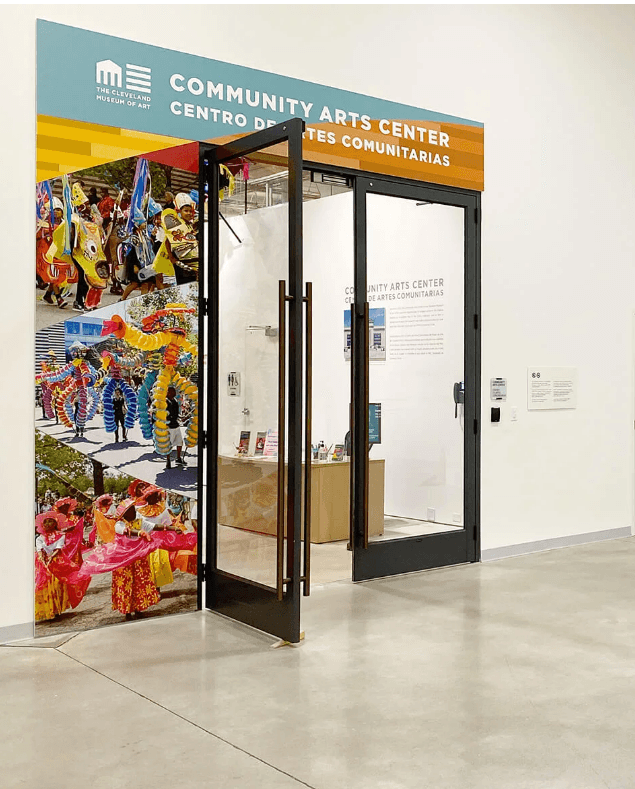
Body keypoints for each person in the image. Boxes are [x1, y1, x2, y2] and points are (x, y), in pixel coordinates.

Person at [111, 499, 160, 619]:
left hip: (138, 560)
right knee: (126, 585)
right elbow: (127, 531)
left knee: (139, 583)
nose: (133, 512)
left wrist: (173, 528)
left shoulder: (140, 522)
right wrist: (140, 533)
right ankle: (127, 611)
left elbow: (155, 526)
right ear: (124, 514)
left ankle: (139, 608)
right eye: (130, 510)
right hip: (124, 561)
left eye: (134, 509)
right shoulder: (119, 524)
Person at [165, 386, 185, 469]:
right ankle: (168, 460)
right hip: (169, 426)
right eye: (172, 391)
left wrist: (180, 417)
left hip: (176, 425)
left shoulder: (175, 401)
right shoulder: (165, 401)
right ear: (168, 392)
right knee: (169, 444)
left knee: (179, 442)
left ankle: (178, 458)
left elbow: (176, 413)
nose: (174, 393)